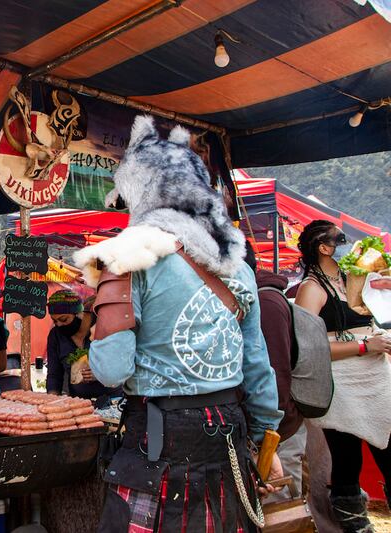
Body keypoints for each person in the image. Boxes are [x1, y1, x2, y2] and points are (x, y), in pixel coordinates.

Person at [75, 115, 282, 532]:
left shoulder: (127, 259)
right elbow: (258, 365)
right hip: (230, 431)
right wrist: (264, 439)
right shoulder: (236, 267)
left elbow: (112, 369)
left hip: (160, 439)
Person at [295, 220, 391, 532]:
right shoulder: (311, 288)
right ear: (323, 248)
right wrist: (365, 344)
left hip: (376, 378)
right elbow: (311, 346)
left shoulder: (352, 278)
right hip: (344, 384)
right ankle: (356, 528)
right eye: (339, 239)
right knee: (347, 461)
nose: (346, 244)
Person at [244, 244, 307, 506]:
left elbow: (274, 370)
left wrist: (268, 434)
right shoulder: (260, 298)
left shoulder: (265, 302)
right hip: (273, 427)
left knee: (281, 512)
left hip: (279, 430)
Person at [46, 289, 117, 403]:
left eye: (63, 319)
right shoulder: (56, 336)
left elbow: (125, 364)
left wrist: (102, 374)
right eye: (54, 321)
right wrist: (52, 401)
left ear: (79, 313)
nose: (59, 325)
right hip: (78, 403)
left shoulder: (103, 326)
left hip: (113, 402)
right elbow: (54, 375)